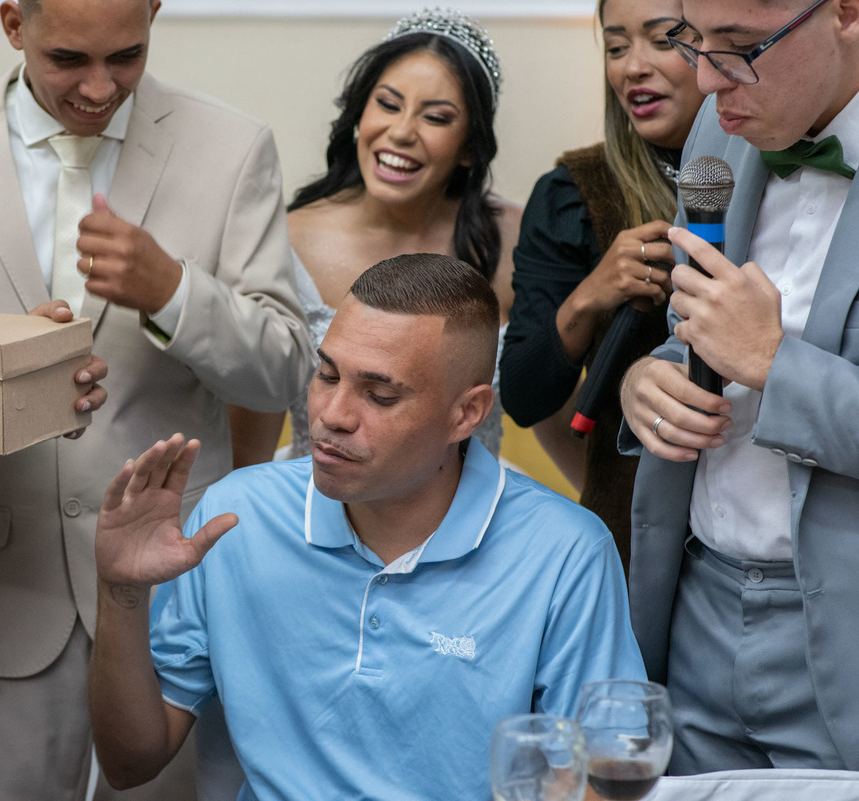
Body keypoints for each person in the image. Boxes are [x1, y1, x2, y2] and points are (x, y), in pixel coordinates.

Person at [0, 0, 313, 798]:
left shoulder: (231, 146)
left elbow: (286, 369)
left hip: (170, 591)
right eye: (70, 59)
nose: (99, 85)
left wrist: (174, 293)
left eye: (128, 55)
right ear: (13, 24)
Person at [88, 254, 645, 801]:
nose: (332, 414)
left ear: (467, 414)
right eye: (326, 374)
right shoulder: (236, 516)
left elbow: (602, 781)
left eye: (380, 395)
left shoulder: (565, 550)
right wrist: (121, 590)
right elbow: (129, 763)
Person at [619, 0, 859, 774]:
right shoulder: (721, 131)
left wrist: (774, 364)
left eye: (741, 47)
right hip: (696, 603)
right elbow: (694, 329)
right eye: (694, 40)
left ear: (847, 14)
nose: (704, 80)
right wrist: (646, 379)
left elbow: (754, 349)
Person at [262, 8, 520, 461]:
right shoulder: (284, 239)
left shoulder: (515, 240)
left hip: (476, 513)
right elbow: (250, 416)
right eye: (387, 103)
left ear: (470, 147)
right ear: (359, 114)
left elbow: (555, 405)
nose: (401, 132)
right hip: (316, 504)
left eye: (436, 117)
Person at [500, 0, 703, 569]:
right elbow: (522, 395)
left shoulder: (788, 176)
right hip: (631, 530)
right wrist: (591, 295)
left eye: (663, 40)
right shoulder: (572, 193)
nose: (632, 67)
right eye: (616, 48)